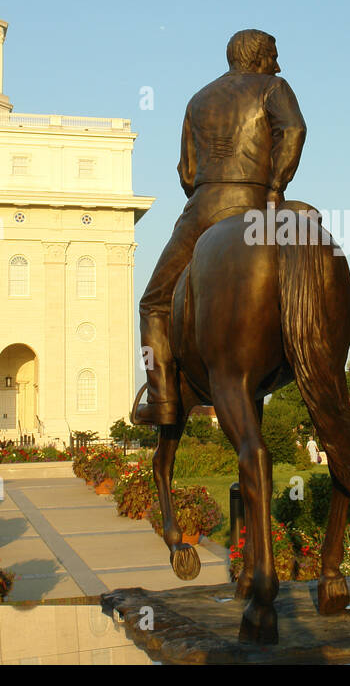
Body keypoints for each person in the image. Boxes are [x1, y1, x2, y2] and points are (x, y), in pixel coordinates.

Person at [131, 29, 307, 425]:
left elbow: (186, 171)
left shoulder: (199, 99)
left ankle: (160, 397)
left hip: (203, 208)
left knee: (154, 303)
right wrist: (276, 185)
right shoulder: (273, 87)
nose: (277, 65)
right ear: (260, 57)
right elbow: (294, 130)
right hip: (256, 204)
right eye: (274, 56)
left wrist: (209, 191)